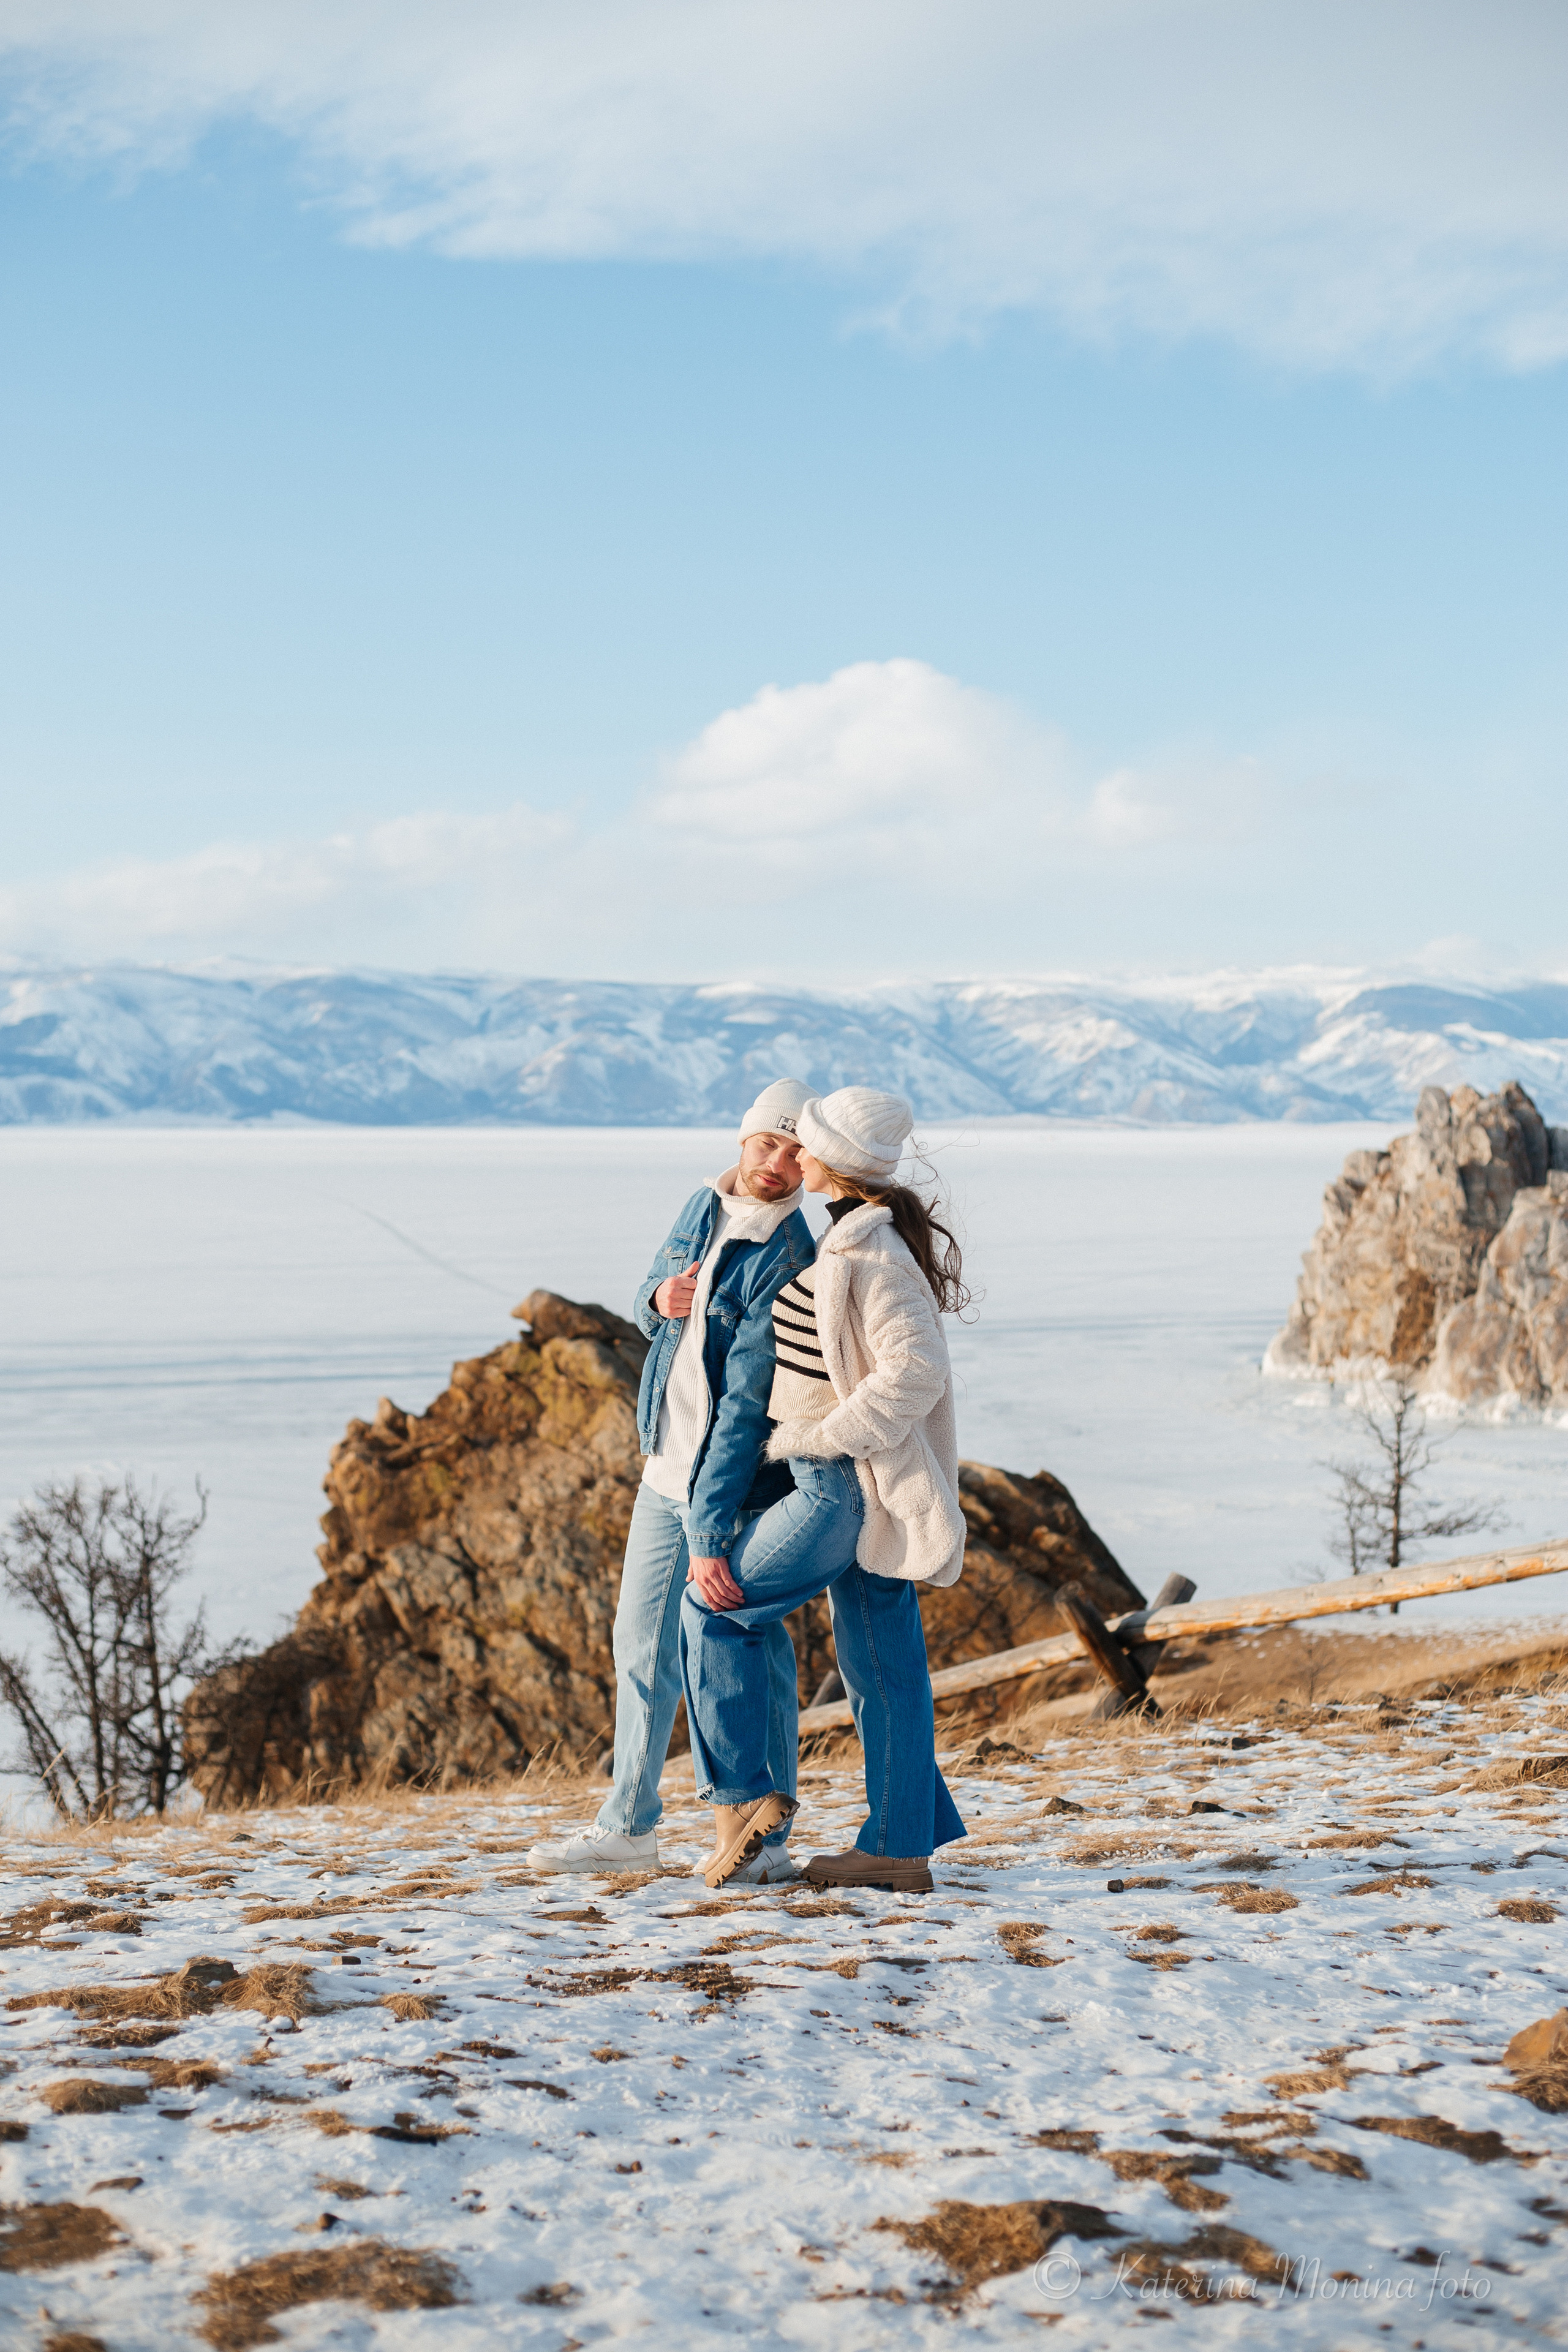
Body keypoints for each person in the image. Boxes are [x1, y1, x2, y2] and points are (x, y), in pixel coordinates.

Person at [679, 1085, 968, 1893]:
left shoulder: (866, 1253)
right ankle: (898, 1847)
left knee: (715, 1609)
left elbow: (916, 1372)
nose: (793, 1157)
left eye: (804, 1145)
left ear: (834, 1163)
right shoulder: (855, 1241)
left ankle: (745, 1803)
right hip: (868, 1487)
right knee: (886, 1669)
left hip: (832, 1488)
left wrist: (823, 1436)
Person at [529, 1079, 816, 1880]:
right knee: (640, 1648)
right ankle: (629, 1827)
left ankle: (770, 1843)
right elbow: (649, 1306)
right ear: (742, 1141)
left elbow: (750, 1408)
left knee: (753, 1654)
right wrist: (658, 1298)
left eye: (798, 1152)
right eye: (769, 1143)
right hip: (664, 1469)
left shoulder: (792, 1258)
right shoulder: (701, 1207)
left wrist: (713, 1522)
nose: (780, 1163)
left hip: (736, 1485)